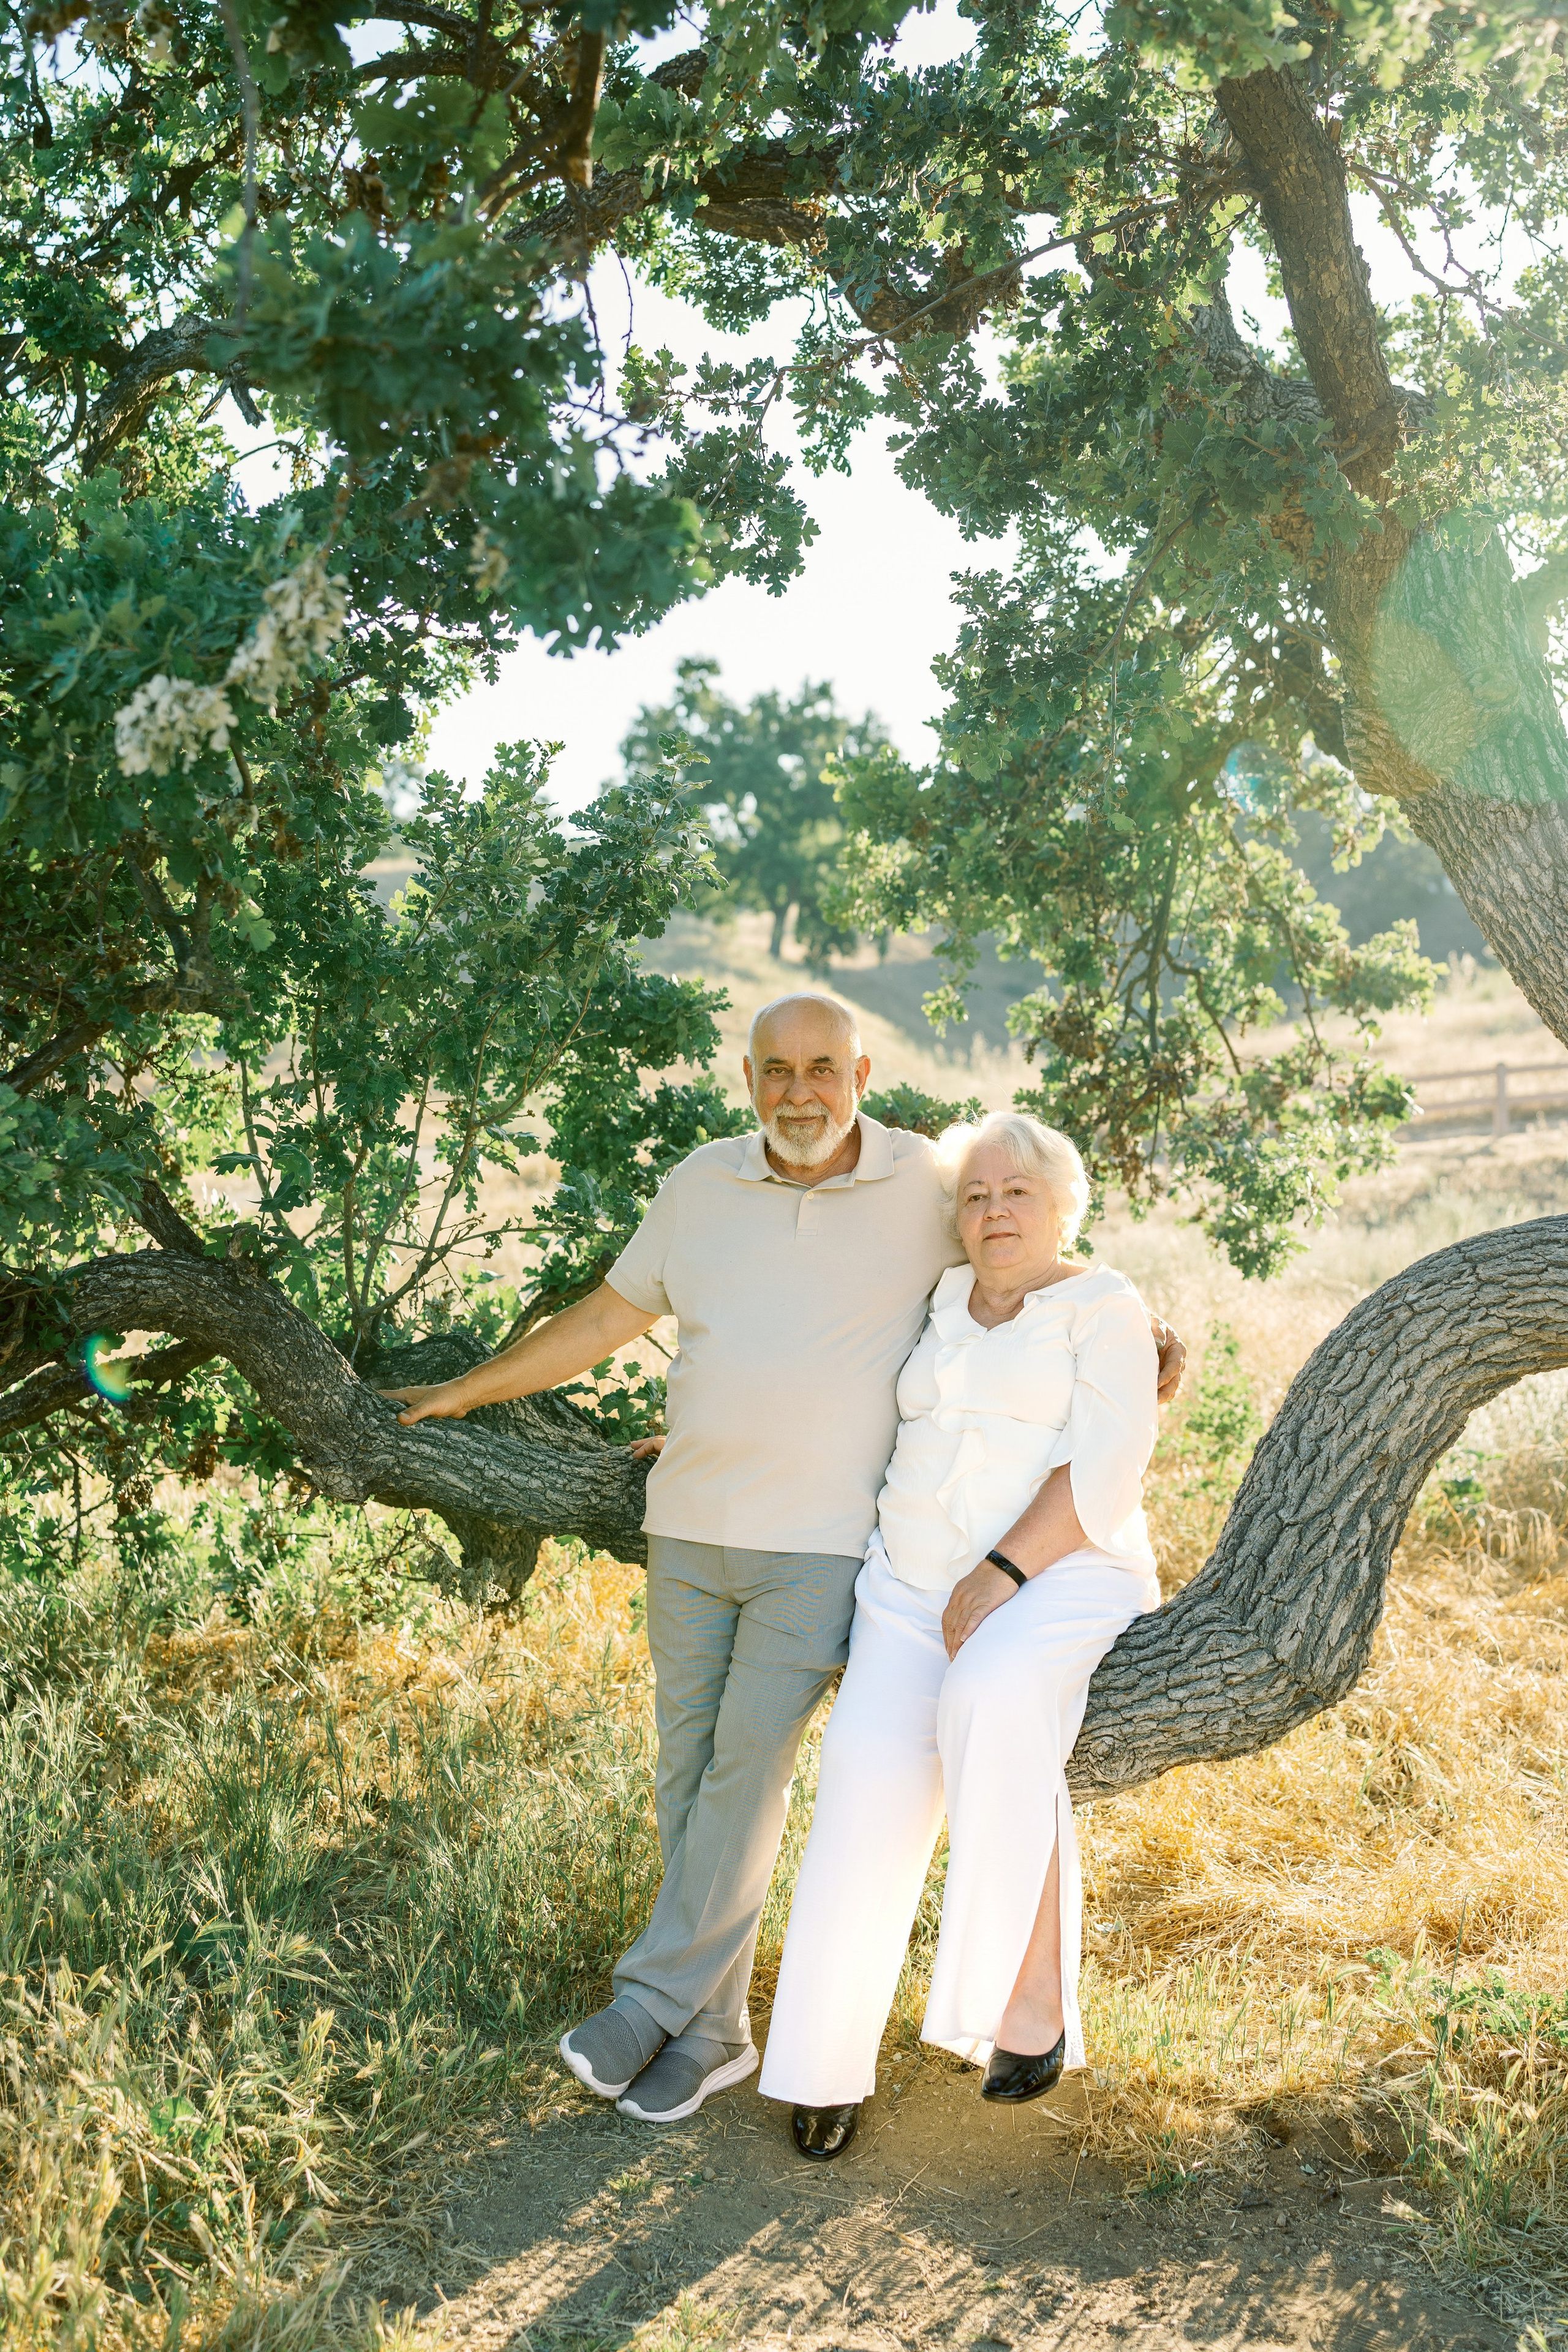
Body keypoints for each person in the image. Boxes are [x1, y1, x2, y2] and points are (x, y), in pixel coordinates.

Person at [380, 996, 1184, 2127]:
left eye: (822, 1068)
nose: (799, 1091)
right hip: (791, 1545)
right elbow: (654, 1326)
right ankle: (752, 2049)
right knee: (763, 1782)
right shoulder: (790, 1219)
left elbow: (1066, 1341)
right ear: (748, 1077)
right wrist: (501, 1395)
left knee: (784, 1764)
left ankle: (683, 1999)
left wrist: (1122, 1360)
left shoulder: (986, 1228)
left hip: (920, 1559)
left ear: (863, 1070)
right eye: (775, 1070)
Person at [758, 1110, 1161, 2163]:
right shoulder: (938, 1298)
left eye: (1017, 1193)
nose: (994, 1212)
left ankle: (1025, 2003)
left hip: (1061, 1577)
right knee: (861, 1777)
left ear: (1063, 1205)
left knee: (991, 1697)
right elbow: (844, 1390)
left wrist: (1002, 1572)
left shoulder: (1106, 1307)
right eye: (976, 1196)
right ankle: (822, 2069)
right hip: (909, 1586)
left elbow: (1107, 1468)